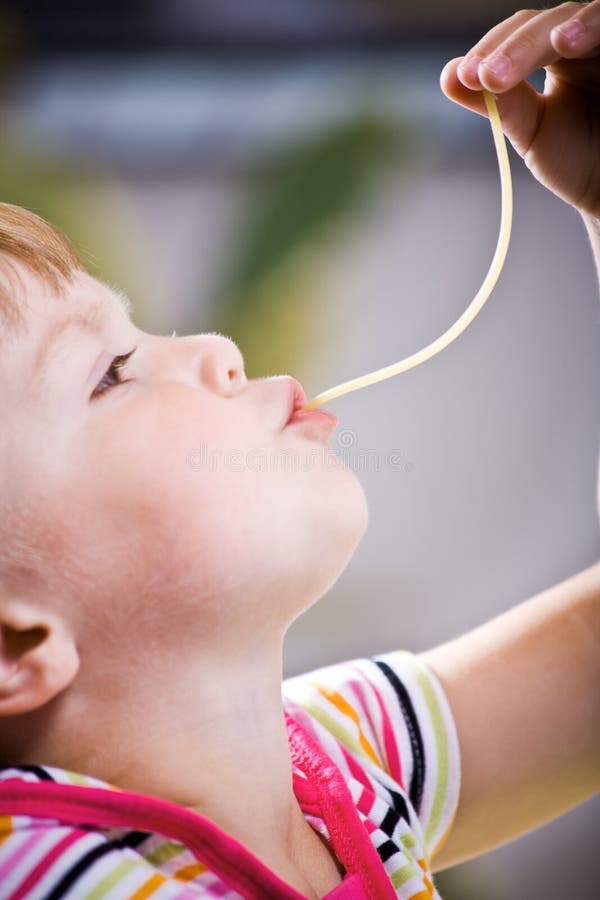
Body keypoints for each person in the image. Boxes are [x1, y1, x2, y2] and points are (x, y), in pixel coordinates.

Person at [0, 1, 598, 897]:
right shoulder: (48, 876)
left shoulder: (337, 759)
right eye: (111, 372)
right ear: (14, 644)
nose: (216, 349)